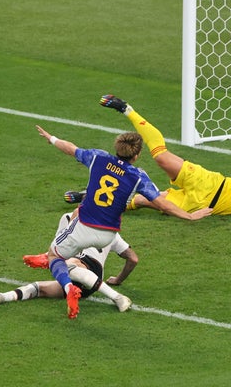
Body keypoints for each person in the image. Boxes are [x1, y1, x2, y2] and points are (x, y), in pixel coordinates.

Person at [35, 125, 212, 319]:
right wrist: (190, 216)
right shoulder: (138, 177)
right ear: (136, 155)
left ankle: (69, 288)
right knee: (73, 251)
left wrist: (51, 138)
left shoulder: (98, 158)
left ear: (117, 148)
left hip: (84, 227)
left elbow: (71, 149)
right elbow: (162, 203)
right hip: (108, 236)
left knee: (53, 257)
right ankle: (86, 277)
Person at [78, 94, 231, 220]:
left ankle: (89, 196)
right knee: (161, 157)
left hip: (201, 206)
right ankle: (126, 109)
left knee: (144, 201)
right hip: (210, 182)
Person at [0, 212, 137, 312]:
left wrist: (47, 258)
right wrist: (118, 279)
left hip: (89, 266)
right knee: (38, 288)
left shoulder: (68, 218)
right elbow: (133, 259)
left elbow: (58, 250)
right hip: (85, 287)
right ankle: (3, 296)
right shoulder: (109, 232)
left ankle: (117, 297)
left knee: (69, 264)